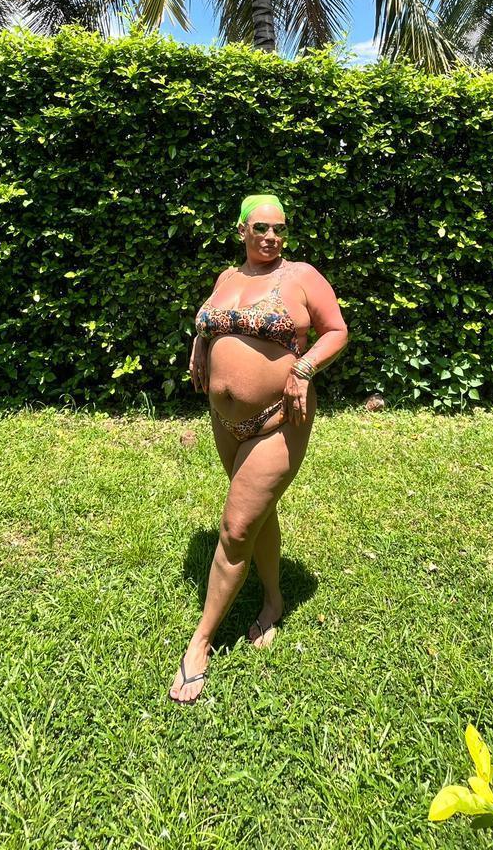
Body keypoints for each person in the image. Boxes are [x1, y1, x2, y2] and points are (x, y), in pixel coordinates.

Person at [169, 193, 349, 704]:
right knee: (257, 513)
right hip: (226, 421)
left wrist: (303, 367)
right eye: (262, 228)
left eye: (280, 229)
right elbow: (210, 322)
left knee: (235, 527)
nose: (271, 237)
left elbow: (337, 331)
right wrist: (199, 346)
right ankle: (273, 600)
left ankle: (199, 644)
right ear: (242, 230)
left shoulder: (301, 276)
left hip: (279, 419)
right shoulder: (227, 277)